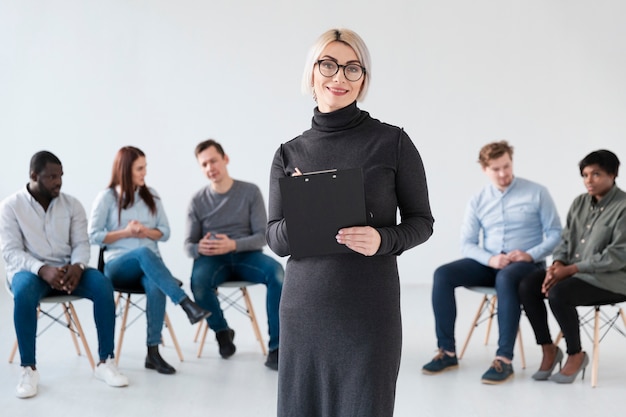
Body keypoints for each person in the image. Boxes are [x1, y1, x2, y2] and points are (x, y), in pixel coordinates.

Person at [266, 28, 434, 417]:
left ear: (364, 79)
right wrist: (306, 209)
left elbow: (422, 222)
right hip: (304, 310)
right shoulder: (288, 153)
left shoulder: (393, 142)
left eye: (352, 68)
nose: (339, 77)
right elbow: (276, 240)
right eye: (328, 65)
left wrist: (383, 239)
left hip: (368, 311)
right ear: (311, 73)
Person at [422, 140, 562, 384]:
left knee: (507, 277)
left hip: (527, 265)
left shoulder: (537, 192)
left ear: (511, 162)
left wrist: (530, 254)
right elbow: (467, 242)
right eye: (496, 169)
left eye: (506, 166)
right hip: (492, 263)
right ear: (485, 170)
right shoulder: (478, 200)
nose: (503, 173)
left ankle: (504, 359)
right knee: (442, 274)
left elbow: (555, 233)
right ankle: (447, 351)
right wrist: (490, 258)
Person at [0, 151, 129, 399]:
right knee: (24, 291)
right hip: (31, 273)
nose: (58, 182)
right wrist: (42, 269)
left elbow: (82, 243)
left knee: (102, 285)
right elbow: (11, 252)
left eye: (60, 176)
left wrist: (78, 266)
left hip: (68, 270)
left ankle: (105, 362)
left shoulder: (72, 205)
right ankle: (29, 368)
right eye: (51, 177)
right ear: (33, 176)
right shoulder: (11, 207)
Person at [89, 146, 210, 375]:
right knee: (145, 254)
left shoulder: (151, 195)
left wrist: (145, 231)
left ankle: (153, 353)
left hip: (149, 268)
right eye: (139, 168)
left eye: (145, 168)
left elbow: (165, 232)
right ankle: (185, 303)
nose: (145, 173)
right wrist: (126, 232)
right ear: (125, 170)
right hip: (118, 266)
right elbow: (93, 235)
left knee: (155, 285)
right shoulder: (106, 198)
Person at [519, 149, 626, 383]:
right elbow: (566, 240)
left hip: (612, 279)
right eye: (585, 175)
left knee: (559, 294)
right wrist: (556, 266)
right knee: (528, 284)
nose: (589, 180)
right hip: (574, 273)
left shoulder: (623, 207)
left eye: (596, 174)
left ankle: (575, 355)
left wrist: (570, 270)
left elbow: (617, 255)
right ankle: (548, 348)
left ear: (613, 174)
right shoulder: (579, 203)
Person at [184, 139, 284, 369]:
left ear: (225, 159)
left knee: (277, 273)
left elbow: (263, 236)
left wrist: (232, 245)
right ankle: (222, 332)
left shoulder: (250, 192)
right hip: (212, 260)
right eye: (204, 164)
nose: (210, 168)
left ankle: (277, 348)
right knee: (198, 281)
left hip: (246, 256)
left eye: (214, 161)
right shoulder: (197, 201)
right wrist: (201, 248)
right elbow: (188, 245)